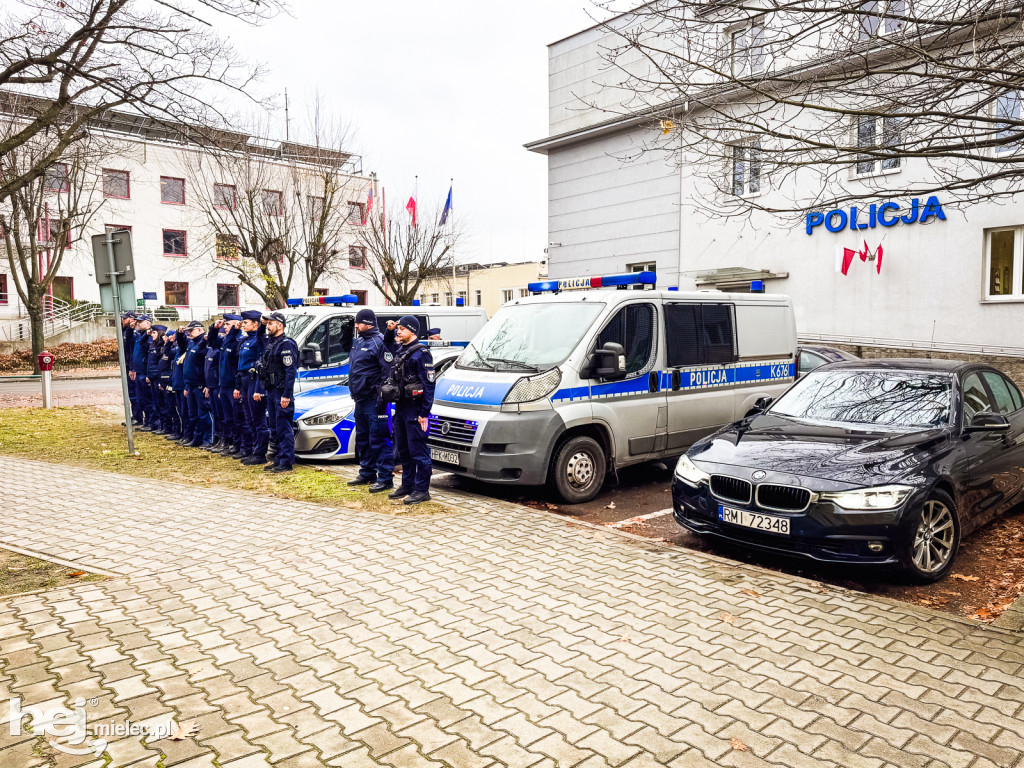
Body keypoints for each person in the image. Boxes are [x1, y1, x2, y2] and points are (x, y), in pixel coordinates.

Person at [384, 315, 436, 504]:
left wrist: (424, 414)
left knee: (418, 452)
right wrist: (390, 331)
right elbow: (387, 345)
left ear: (412, 331)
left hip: (415, 411)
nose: (399, 331)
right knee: (403, 451)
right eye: (399, 329)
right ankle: (407, 485)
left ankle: (422, 490)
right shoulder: (401, 348)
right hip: (402, 408)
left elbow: (429, 385)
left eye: (402, 329)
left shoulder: (421, 353)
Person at [346, 308, 397, 492]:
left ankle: (385, 478)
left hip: (375, 400)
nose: (356, 326)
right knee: (363, 439)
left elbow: (388, 372)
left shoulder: (380, 342)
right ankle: (367, 472)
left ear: (368, 323)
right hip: (360, 399)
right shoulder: (358, 342)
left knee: (379, 440)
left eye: (359, 323)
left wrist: (382, 397)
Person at [258, 311, 299, 473]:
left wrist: (286, 395)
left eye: (270, 323)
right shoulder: (272, 343)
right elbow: (259, 338)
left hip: (281, 392)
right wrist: (261, 324)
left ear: (279, 325)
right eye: (267, 324)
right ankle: (278, 459)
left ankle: (286, 461)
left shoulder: (286, 344)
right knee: (274, 427)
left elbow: (290, 372)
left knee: (284, 428)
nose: (268, 326)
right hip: (271, 390)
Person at [236, 310, 268, 465]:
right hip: (244, 380)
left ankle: (260, 454)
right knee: (249, 418)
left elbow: (262, 335)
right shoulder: (245, 341)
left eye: (246, 322)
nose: (243, 325)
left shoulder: (259, 340)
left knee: (257, 418)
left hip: (253, 380)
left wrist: (262, 325)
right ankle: (254, 450)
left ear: (256, 324)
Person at [212, 314, 243, 456]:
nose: (224, 327)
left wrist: (238, 386)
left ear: (237, 325)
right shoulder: (226, 341)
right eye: (224, 325)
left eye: (227, 324)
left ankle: (237, 444)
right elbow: (212, 343)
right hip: (223, 385)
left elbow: (238, 367)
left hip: (233, 385)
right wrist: (214, 328)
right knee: (226, 417)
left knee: (236, 417)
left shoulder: (238, 340)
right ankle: (228, 442)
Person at [183, 320, 213, 448]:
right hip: (191, 384)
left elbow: (207, 366)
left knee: (203, 414)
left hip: (200, 384)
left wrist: (207, 384)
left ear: (200, 330)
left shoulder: (204, 343)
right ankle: (197, 438)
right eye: (188, 331)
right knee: (193, 414)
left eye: (192, 330)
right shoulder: (191, 343)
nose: (189, 333)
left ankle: (207, 439)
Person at [130, 315, 153, 430]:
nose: (138, 324)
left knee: (148, 398)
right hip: (139, 371)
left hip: (145, 372)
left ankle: (152, 422)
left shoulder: (149, 336)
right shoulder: (139, 335)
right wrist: (133, 368)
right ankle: (147, 421)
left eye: (140, 322)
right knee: (141, 399)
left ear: (148, 323)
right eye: (137, 322)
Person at [202, 322, 222, 451]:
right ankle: (217, 440)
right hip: (212, 385)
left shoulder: (219, 350)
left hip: (219, 386)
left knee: (222, 415)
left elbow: (220, 370)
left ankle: (223, 440)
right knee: (216, 414)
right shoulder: (211, 350)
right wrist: (208, 385)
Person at [145, 325, 167, 433]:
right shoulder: (152, 345)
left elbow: (161, 364)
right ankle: (161, 424)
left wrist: (159, 379)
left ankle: (163, 425)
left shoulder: (161, 346)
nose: (152, 335)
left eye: (154, 333)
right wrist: (149, 375)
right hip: (152, 377)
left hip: (158, 378)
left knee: (161, 403)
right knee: (156, 402)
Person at [120, 312, 139, 424]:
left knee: (135, 392)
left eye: (124, 319)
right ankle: (135, 415)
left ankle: (138, 417)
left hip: (132, 365)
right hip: (127, 364)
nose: (122, 320)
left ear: (131, 319)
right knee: (131, 392)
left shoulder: (134, 332)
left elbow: (132, 351)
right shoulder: (125, 330)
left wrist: (132, 368)